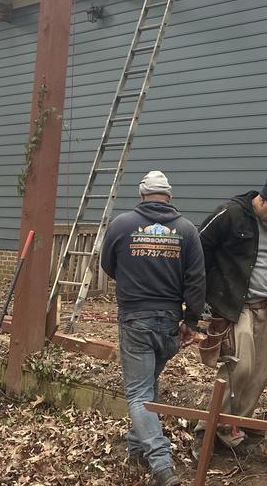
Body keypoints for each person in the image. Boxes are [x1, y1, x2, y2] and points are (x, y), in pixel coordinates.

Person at [100, 170, 205, 486]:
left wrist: (133, 278)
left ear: (142, 195)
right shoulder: (186, 230)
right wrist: (192, 321)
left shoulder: (122, 225)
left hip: (136, 321)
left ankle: (162, 466)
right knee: (148, 385)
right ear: (169, 198)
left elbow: (107, 264)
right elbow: (197, 280)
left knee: (138, 391)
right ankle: (136, 447)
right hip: (170, 324)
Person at [195, 176, 267, 454]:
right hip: (236, 306)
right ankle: (209, 429)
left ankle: (234, 428)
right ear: (261, 200)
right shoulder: (229, 214)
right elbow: (199, 248)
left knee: (259, 373)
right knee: (240, 367)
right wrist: (204, 294)